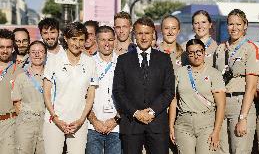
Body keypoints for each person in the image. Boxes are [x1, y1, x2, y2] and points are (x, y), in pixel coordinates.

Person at [113, 17, 175, 154]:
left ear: (153, 34)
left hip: (157, 124)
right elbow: (118, 91)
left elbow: (169, 91)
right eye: (140, 33)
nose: (144, 37)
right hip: (131, 124)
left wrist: (152, 111)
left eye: (147, 33)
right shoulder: (123, 60)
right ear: (134, 34)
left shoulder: (164, 59)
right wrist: (136, 113)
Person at [42, 22, 98, 154]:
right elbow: (46, 93)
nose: (77, 44)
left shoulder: (90, 62)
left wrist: (81, 119)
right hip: (54, 121)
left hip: (78, 123)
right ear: (66, 39)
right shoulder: (53, 61)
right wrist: (56, 118)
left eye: (81, 40)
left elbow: (90, 95)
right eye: (74, 39)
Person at [214, 9, 259, 154]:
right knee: (220, 150)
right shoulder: (220, 48)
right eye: (230, 24)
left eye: (238, 24)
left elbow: (251, 87)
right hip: (221, 104)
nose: (234, 28)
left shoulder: (250, 48)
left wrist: (243, 117)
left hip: (240, 104)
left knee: (240, 150)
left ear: (245, 25)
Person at [169, 39, 226, 154]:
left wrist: (216, 131)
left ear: (204, 52)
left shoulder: (214, 73)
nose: (196, 56)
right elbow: (173, 101)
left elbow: (221, 105)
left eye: (199, 51)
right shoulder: (180, 73)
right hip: (184, 123)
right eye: (191, 53)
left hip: (206, 123)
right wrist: (171, 126)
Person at [86, 25, 121, 154]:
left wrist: (115, 120)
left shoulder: (123, 63)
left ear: (115, 40)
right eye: (103, 40)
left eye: (110, 40)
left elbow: (129, 95)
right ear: (96, 40)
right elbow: (83, 96)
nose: (107, 44)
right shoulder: (88, 64)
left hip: (117, 127)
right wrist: (95, 121)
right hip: (92, 127)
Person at [12, 40, 47, 154]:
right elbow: (17, 103)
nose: (37, 54)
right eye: (33, 52)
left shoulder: (51, 76)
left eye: (40, 51)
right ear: (29, 54)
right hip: (26, 123)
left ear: (45, 54)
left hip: (46, 123)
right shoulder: (21, 76)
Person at [0, 29, 21, 154]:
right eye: (1, 47)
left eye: (8, 47)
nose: (5, 50)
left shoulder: (19, 72)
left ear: (13, 48)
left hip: (9, 123)